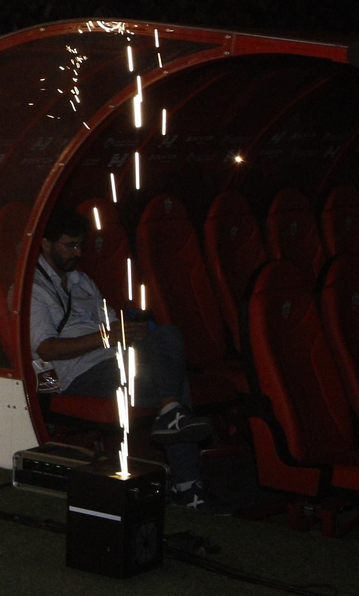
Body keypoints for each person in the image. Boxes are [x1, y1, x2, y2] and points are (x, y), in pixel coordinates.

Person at [30, 209, 223, 512]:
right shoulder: (33, 289)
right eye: (70, 245)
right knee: (174, 380)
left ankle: (172, 415)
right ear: (45, 244)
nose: (78, 253)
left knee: (167, 335)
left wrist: (131, 332)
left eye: (81, 245)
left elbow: (109, 326)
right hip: (78, 372)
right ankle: (187, 483)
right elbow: (47, 350)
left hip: (114, 358)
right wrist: (110, 336)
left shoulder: (82, 282)